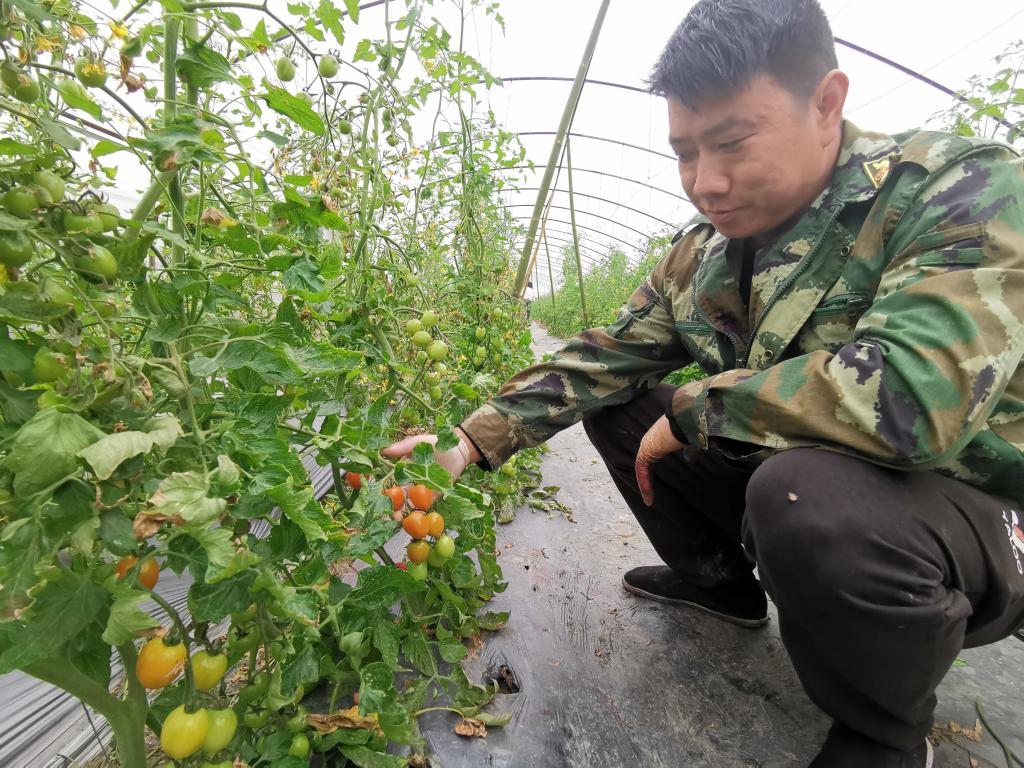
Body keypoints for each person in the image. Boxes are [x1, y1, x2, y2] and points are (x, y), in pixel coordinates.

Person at [384, 1, 1024, 765]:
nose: (705, 181)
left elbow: (912, 401)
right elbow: (603, 357)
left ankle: (884, 729)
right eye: (684, 151)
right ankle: (720, 582)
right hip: (800, 490)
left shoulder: (952, 189)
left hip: (968, 519)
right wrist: (465, 443)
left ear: (826, 103)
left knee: (800, 488)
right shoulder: (702, 254)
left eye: (730, 142)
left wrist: (696, 409)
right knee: (626, 408)